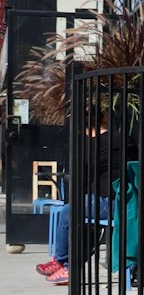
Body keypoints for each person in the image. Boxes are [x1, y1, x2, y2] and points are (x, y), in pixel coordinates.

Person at [36, 110, 135, 285]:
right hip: (128, 202)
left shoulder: (90, 147)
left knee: (68, 212)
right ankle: (67, 265)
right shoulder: (126, 140)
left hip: (108, 203)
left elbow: (81, 178)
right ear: (104, 118)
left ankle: (62, 263)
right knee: (85, 218)